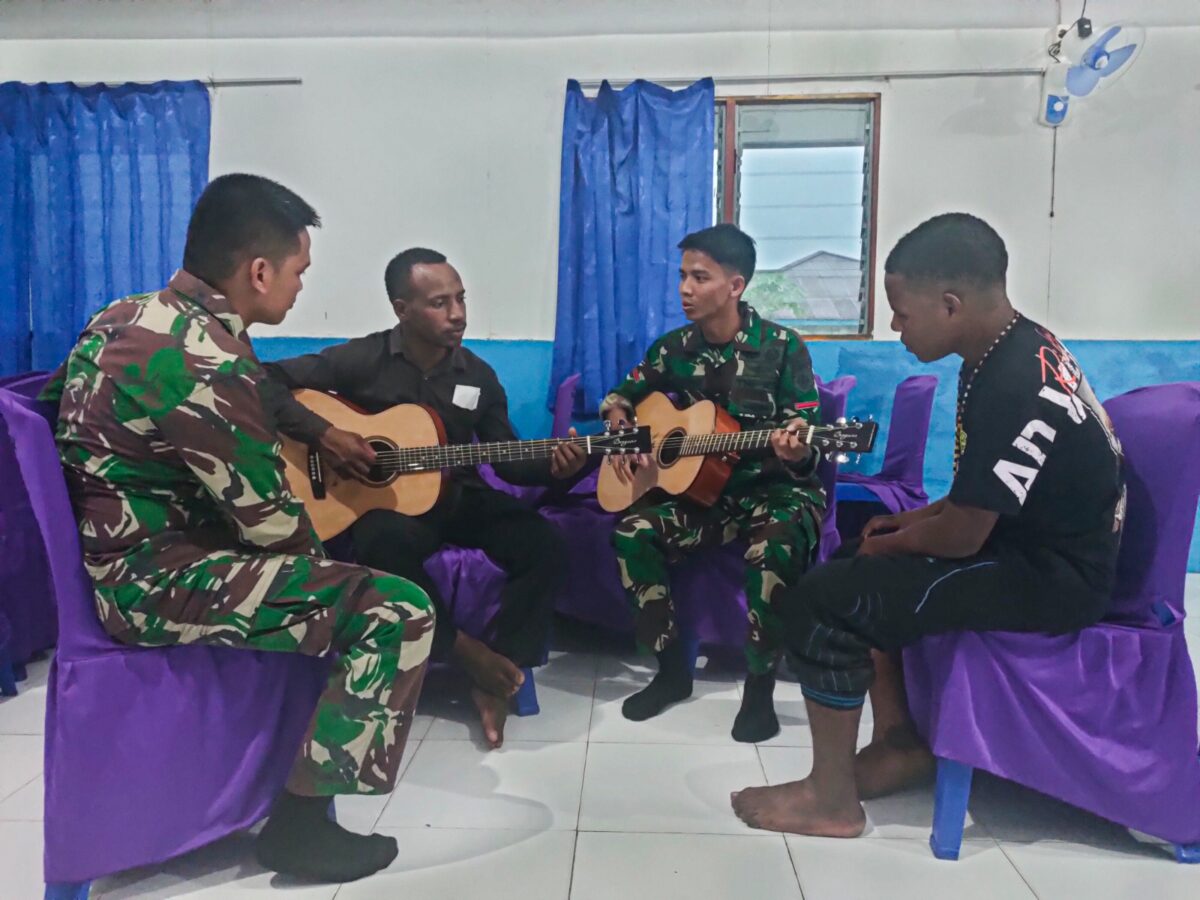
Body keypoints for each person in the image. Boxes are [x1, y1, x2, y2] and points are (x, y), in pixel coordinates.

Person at [40, 174, 434, 883]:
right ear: (258, 270)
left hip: (124, 559)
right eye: (298, 272)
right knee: (396, 610)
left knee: (347, 571)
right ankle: (303, 827)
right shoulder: (206, 361)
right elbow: (272, 526)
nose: (299, 289)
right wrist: (336, 572)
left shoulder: (126, 315)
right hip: (155, 583)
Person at [731, 212, 1125, 836]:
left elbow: (966, 532)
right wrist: (904, 524)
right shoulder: (1005, 351)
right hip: (1024, 545)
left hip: (1054, 578)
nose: (895, 326)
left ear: (950, 304)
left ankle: (831, 800)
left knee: (825, 600)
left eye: (901, 312)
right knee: (856, 558)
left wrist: (901, 541)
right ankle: (899, 744)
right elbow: (978, 497)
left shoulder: (1013, 378)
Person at [261, 248, 587, 750]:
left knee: (544, 542)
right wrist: (325, 434)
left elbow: (507, 458)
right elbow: (265, 381)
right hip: (390, 507)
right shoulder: (360, 359)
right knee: (381, 545)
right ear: (402, 308)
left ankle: (504, 670)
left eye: (460, 299)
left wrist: (557, 463)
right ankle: (465, 652)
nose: (457, 313)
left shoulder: (477, 375)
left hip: (458, 496)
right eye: (439, 303)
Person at [601, 224, 825, 743]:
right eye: (682, 276)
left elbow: (804, 439)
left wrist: (797, 448)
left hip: (775, 492)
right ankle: (670, 670)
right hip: (705, 500)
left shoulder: (784, 348)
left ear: (735, 285)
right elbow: (622, 395)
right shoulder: (672, 348)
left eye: (700, 277)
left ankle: (760, 687)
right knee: (633, 532)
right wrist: (619, 420)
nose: (685, 288)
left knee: (774, 549)